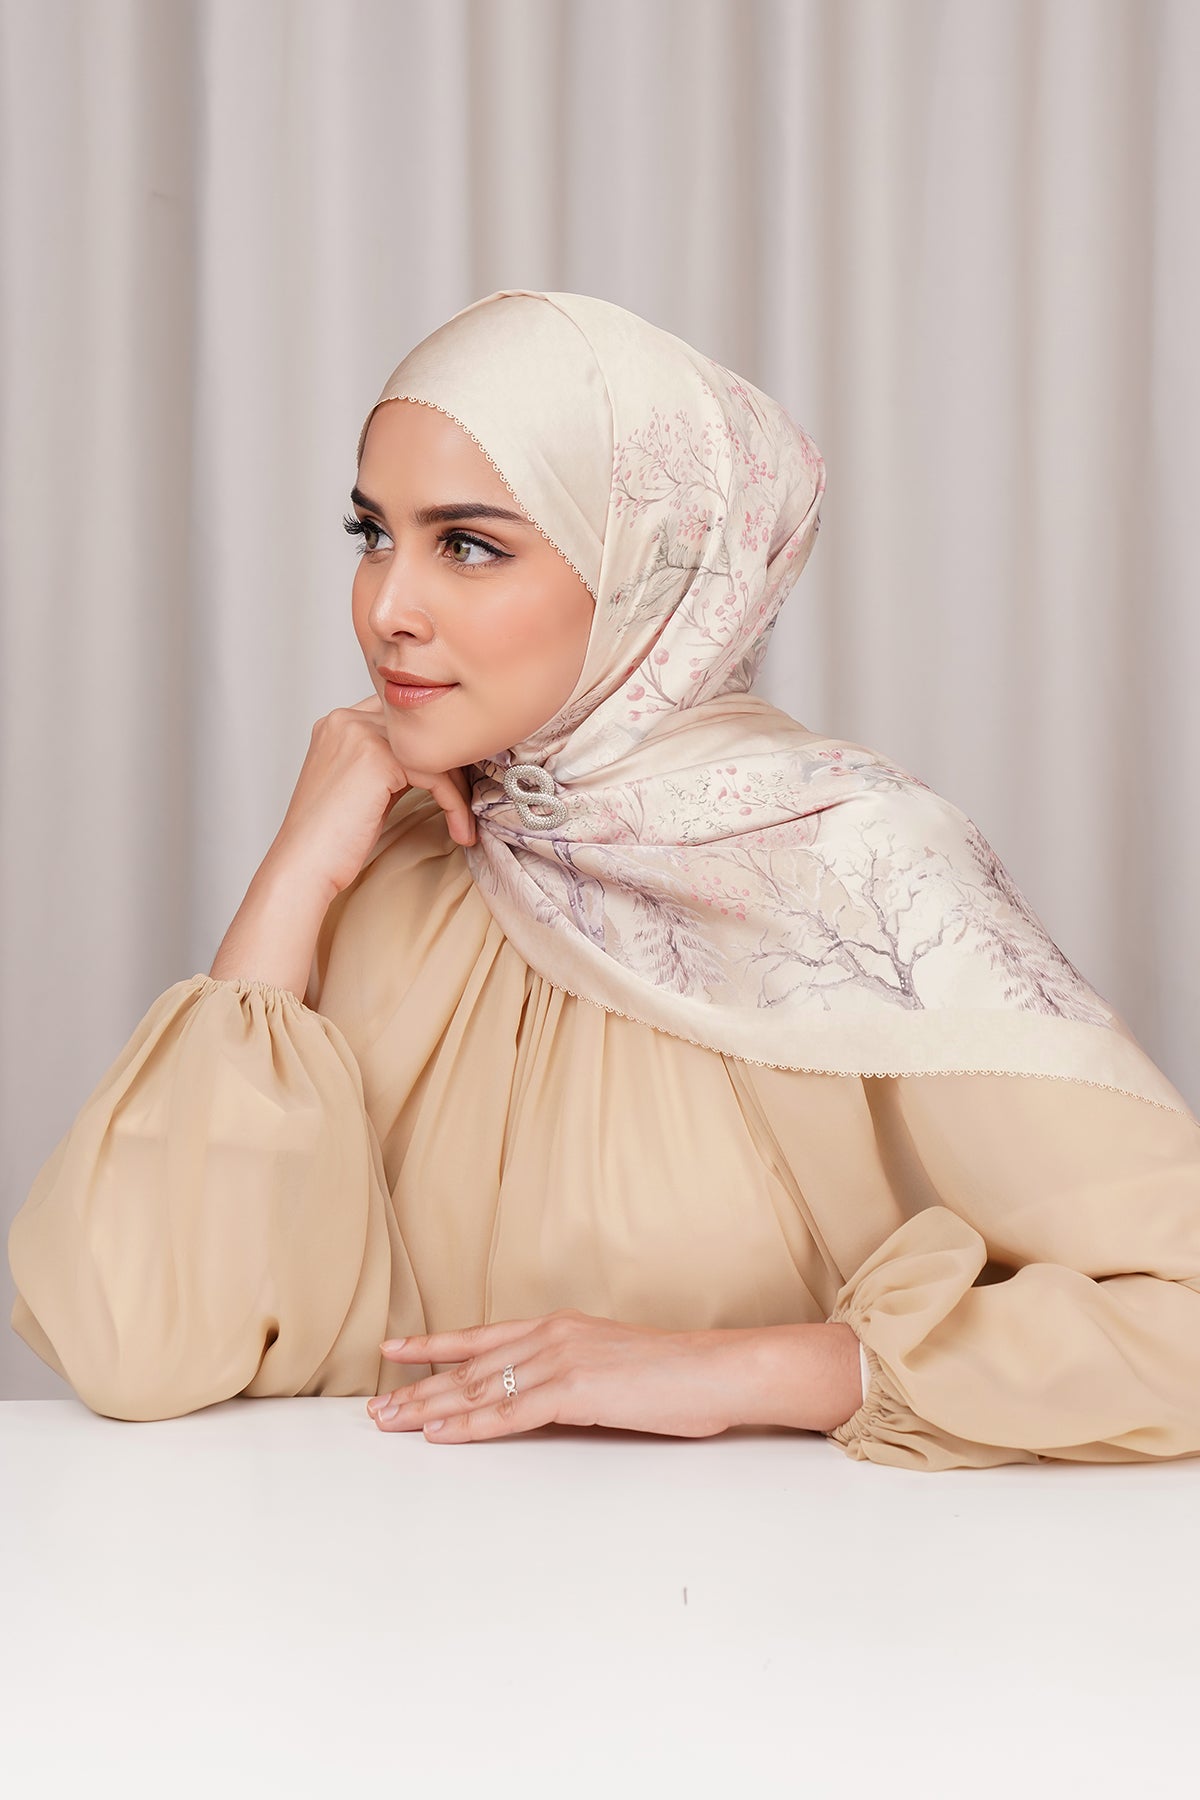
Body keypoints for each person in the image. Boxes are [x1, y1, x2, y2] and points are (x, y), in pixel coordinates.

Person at [9, 289, 1200, 1471]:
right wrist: (291, 877)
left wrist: (743, 1373)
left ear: (646, 573)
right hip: (375, 1583)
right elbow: (133, 1341)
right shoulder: (386, 861)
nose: (389, 608)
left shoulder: (854, 869)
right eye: (372, 534)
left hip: (767, 1592)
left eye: (467, 545)